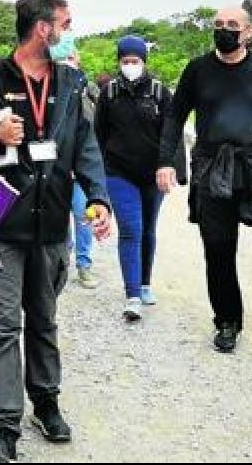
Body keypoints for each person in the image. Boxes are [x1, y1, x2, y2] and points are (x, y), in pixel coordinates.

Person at [0, 0, 113, 464]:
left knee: (44, 320)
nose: (69, 31)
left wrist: (97, 198)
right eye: (65, 24)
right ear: (43, 29)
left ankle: (46, 403)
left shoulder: (73, 81)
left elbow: (85, 145)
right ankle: (1, 429)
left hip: (51, 224)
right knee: (1, 327)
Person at [156, 6, 252, 372]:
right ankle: (227, 320)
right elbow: (175, 116)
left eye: (232, 26)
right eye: (218, 25)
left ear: (248, 32)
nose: (224, 30)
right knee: (219, 247)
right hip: (212, 164)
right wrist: (165, 161)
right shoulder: (197, 69)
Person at [95, 35, 185, 321]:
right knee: (131, 229)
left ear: (144, 62)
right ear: (119, 62)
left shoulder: (159, 92)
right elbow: (97, 136)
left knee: (148, 229)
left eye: (135, 61)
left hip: (153, 173)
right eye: (125, 61)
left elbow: (172, 133)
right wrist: (95, 174)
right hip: (118, 172)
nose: (130, 66)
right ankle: (132, 294)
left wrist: (172, 168)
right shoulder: (108, 94)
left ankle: (145, 283)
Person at [54, 49, 99, 289]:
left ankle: (84, 265)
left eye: (72, 58)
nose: (68, 63)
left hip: (80, 172)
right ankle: (61, 264)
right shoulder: (48, 93)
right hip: (57, 171)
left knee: (84, 217)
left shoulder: (89, 92)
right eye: (64, 59)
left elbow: (94, 135)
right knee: (59, 220)